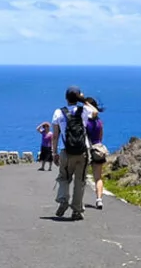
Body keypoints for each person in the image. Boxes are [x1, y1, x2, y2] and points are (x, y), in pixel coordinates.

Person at [50, 86, 95, 220]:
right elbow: (95, 112)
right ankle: (76, 210)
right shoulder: (85, 110)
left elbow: (55, 136)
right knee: (80, 181)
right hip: (83, 151)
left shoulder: (58, 112)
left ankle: (63, 199)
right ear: (78, 98)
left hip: (66, 151)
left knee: (64, 178)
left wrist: (54, 153)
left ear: (66, 98)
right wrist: (84, 100)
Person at [84, 97, 108, 210]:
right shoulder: (100, 122)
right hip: (98, 148)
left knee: (81, 176)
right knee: (98, 177)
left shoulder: (86, 121)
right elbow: (100, 137)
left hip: (88, 149)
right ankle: (99, 199)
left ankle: (78, 199)